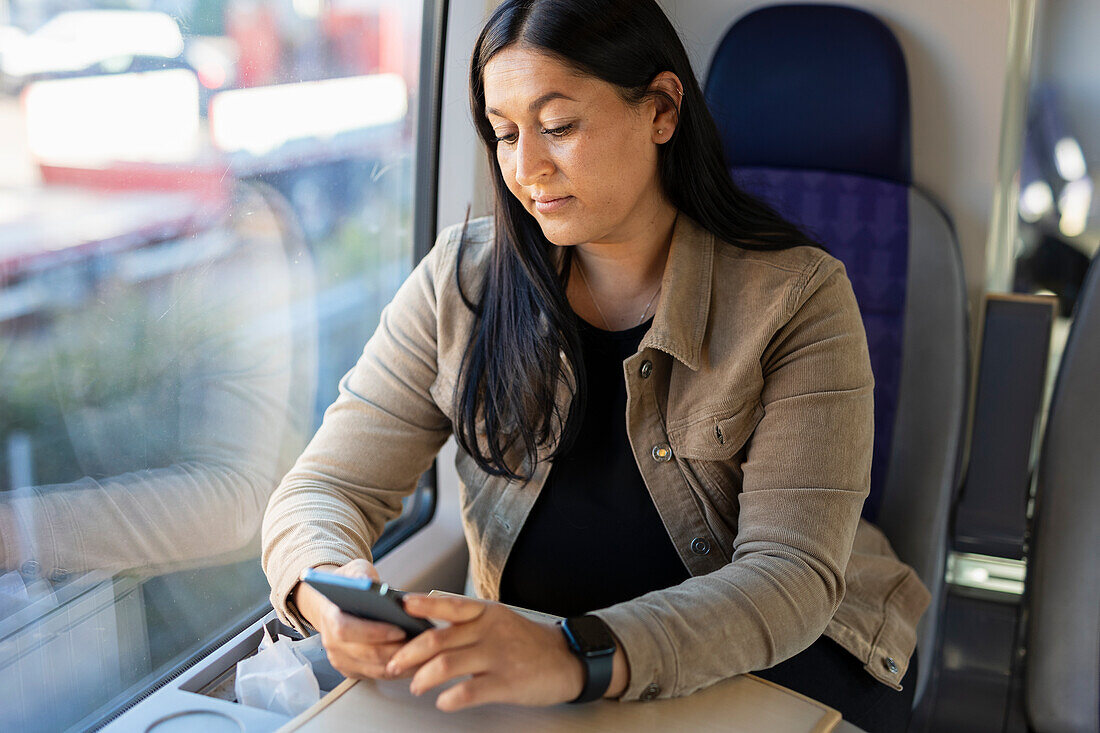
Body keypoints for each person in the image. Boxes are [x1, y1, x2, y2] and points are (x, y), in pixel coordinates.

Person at [261, 1, 930, 730]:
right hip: (542, 680)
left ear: (662, 109)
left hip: (769, 662)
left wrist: (574, 654)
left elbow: (789, 579)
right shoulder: (463, 281)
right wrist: (327, 593)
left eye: (558, 127)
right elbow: (324, 488)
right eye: (505, 133)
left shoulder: (797, 297)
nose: (526, 169)